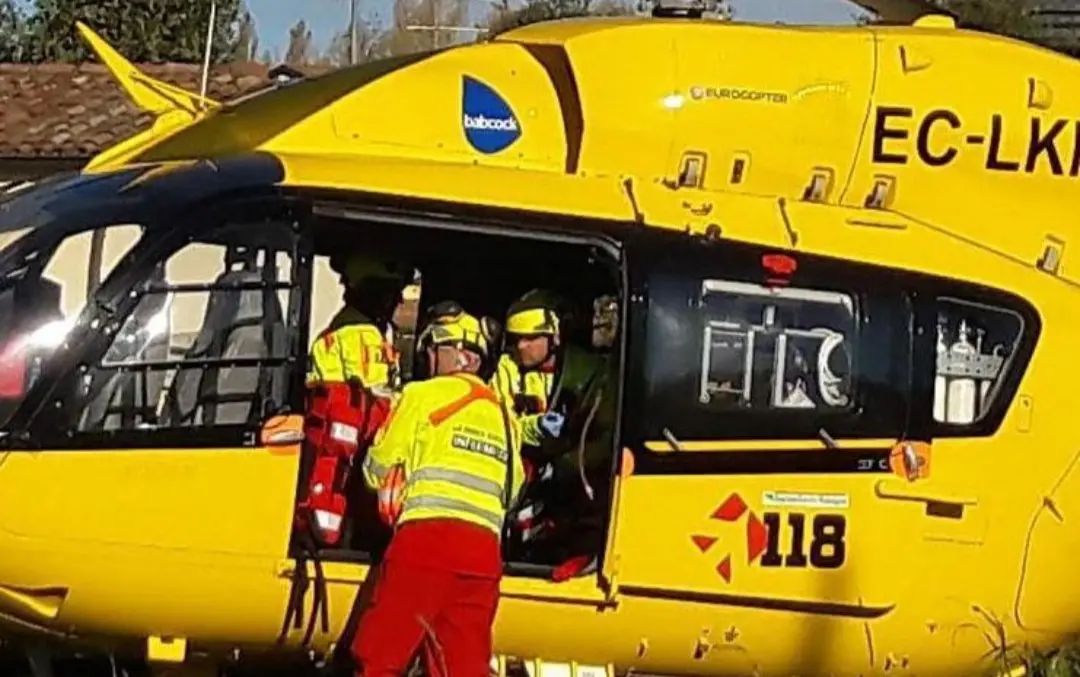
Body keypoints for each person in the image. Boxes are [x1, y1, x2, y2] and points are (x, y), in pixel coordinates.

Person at [351, 301, 525, 677]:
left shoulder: (420, 396)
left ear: (451, 352)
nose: (428, 359)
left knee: (381, 656)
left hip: (425, 544)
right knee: (461, 665)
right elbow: (513, 491)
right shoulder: (504, 415)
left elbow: (377, 468)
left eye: (432, 350)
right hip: (483, 557)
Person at [296, 252, 411, 548]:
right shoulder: (360, 337)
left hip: (334, 454)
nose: (397, 302)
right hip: (351, 459)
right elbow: (379, 403)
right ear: (370, 291)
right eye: (391, 293)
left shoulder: (341, 330)